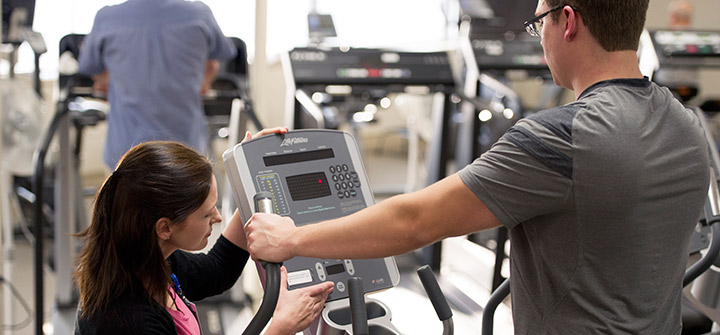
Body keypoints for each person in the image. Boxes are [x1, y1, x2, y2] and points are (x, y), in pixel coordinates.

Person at [243, 0, 711, 333]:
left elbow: (415, 220)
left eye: (539, 22)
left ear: (567, 21)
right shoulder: (686, 125)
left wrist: (292, 238)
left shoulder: (561, 137)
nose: (540, 37)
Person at [73, 128, 335, 335]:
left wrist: (253, 172)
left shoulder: (152, 259)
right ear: (165, 227)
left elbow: (217, 271)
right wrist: (281, 328)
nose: (219, 217)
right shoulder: (128, 322)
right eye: (207, 214)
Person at [78, 0, 236, 169]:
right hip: (187, 150)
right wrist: (203, 81)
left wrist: (118, 81)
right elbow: (217, 60)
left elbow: (89, 67)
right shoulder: (199, 14)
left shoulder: (108, 18)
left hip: (126, 154)